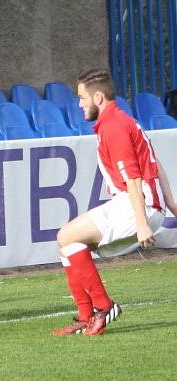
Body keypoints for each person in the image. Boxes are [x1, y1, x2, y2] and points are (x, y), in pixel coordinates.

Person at [54, 69, 177, 336]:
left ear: (98, 97)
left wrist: (142, 224)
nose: (79, 104)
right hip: (143, 205)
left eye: (82, 98)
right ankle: (86, 317)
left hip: (137, 206)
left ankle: (103, 307)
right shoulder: (123, 121)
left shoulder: (114, 127)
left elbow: (132, 179)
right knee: (68, 244)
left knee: (65, 235)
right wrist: (172, 205)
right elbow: (158, 166)